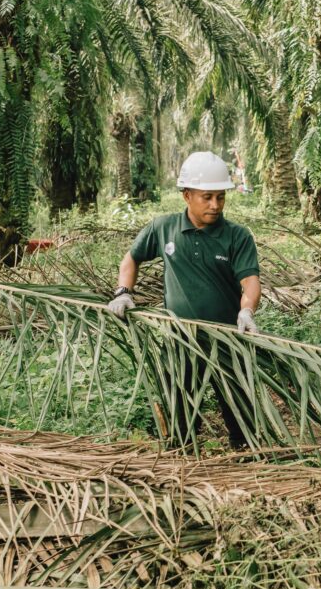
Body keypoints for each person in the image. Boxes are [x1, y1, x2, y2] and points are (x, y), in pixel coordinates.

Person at [107, 151, 262, 446]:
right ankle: (182, 451)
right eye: (207, 197)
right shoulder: (163, 228)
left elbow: (250, 281)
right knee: (179, 403)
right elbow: (131, 259)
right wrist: (124, 292)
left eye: (220, 197)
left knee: (240, 410)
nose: (215, 205)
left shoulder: (237, 236)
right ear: (187, 195)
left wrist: (247, 312)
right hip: (180, 339)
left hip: (227, 339)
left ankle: (245, 455)